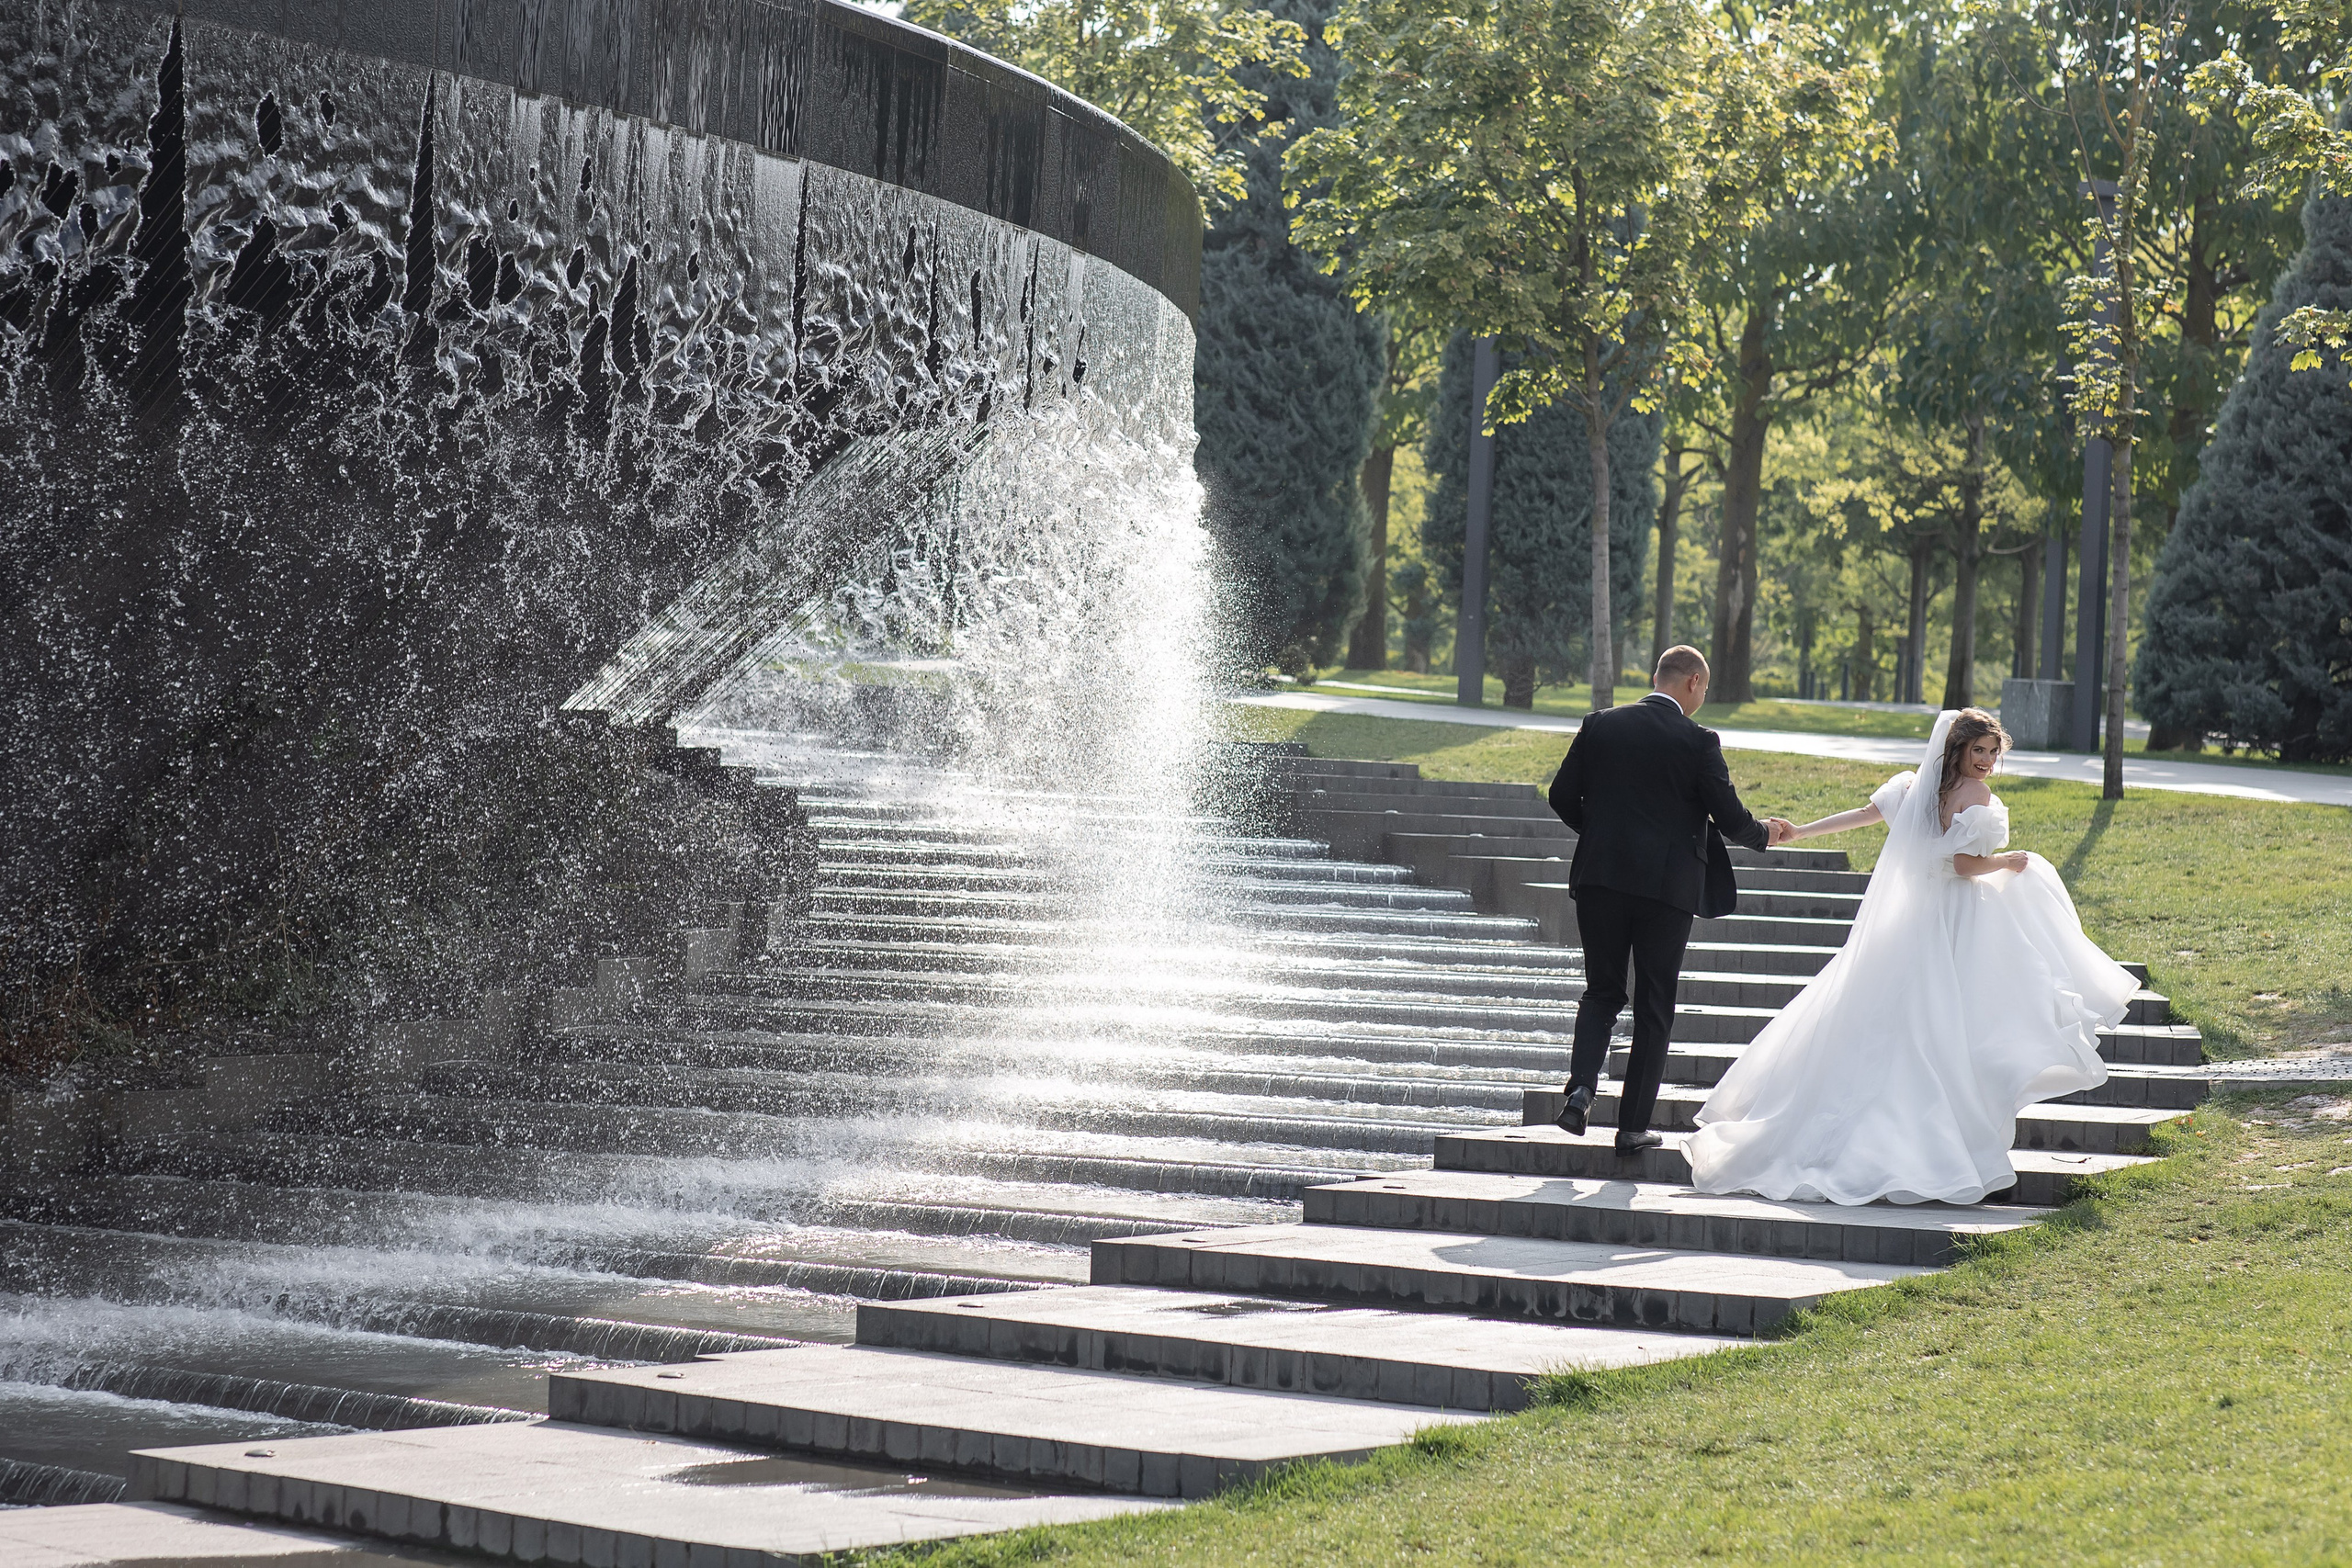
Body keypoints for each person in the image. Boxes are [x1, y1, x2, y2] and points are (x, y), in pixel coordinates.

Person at [1686, 707, 2138, 1205]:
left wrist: (1800, 831)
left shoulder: (1913, 787)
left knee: (1900, 1029)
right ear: (1958, 749)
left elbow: (1864, 816)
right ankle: (1936, 1151)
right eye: (1978, 751)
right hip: (1954, 923)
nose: (1986, 761)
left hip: (1908, 923)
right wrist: (2007, 861)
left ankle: (1888, 1140)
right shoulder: (1975, 795)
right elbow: (1964, 865)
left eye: (1993, 752)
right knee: (1945, 1033)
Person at [1546, 646, 1794, 1156]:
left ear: (1655, 677)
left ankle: (1580, 1090)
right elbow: (1727, 816)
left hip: (1600, 880)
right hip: (1667, 890)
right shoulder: (1699, 740)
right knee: (1654, 1006)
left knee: (1602, 992)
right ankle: (1632, 1126)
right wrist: (1764, 833)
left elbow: (1560, 796)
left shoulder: (1600, 725)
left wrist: (1601, 835)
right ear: (1694, 684)